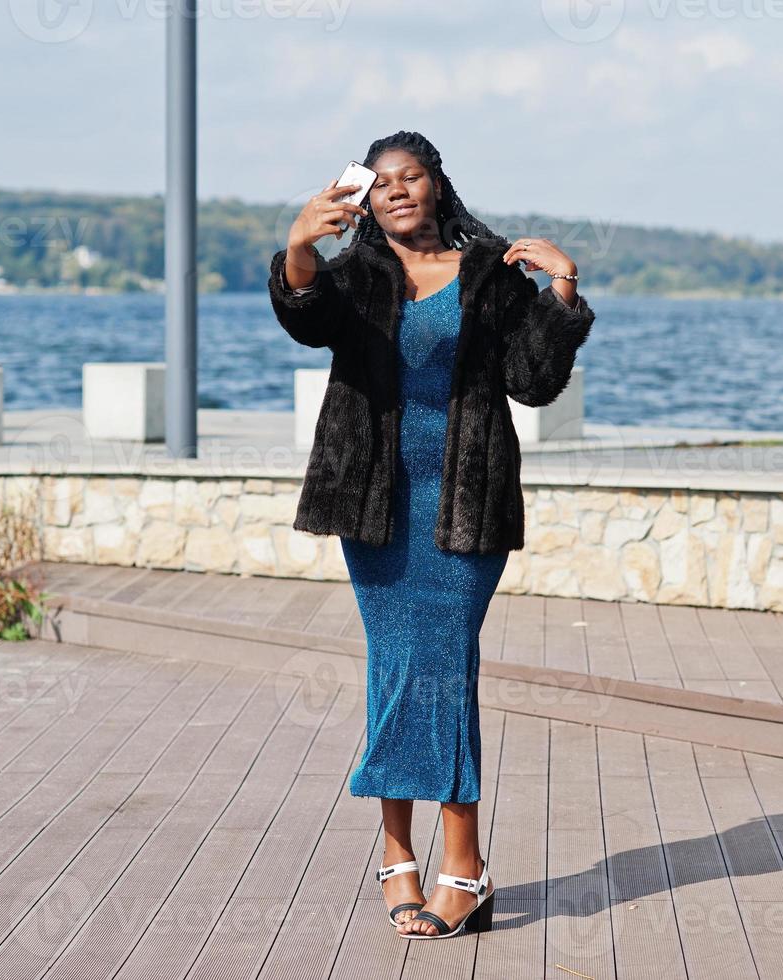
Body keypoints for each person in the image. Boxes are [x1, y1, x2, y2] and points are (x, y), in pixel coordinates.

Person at [268, 130, 594, 939]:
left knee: (440, 664)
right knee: (394, 666)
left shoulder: (490, 274)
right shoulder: (355, 276)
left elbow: (532, 382)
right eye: (381, 184)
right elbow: (306, 321)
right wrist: (297, 250)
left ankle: (460, 863)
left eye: (411, 177)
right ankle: (403, 858)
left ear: (437, 185)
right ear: (365, 201)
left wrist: (560, 289)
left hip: (466, 501)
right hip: (372, 504)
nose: (397, 191)